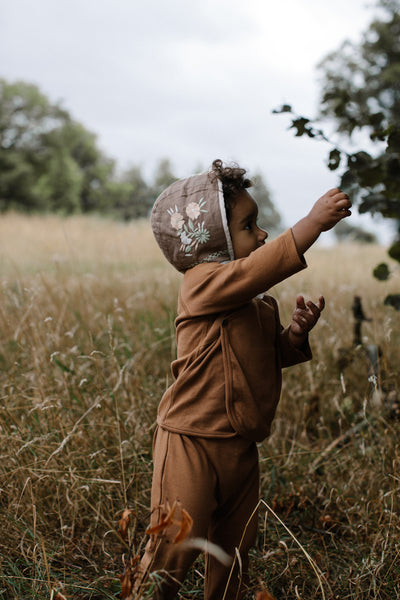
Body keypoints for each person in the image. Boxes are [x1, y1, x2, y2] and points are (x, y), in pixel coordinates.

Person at [136, 159, 351, 599]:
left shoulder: (255, 302)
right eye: (248, 225)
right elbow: (259, 268)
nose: (262, 234)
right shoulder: (200, 284)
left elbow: (261, 357)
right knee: (171, 548)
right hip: (190, 441)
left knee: (233, 550)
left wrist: (293, 336)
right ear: (213, 241)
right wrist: (311, 224)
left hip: (240, 443)